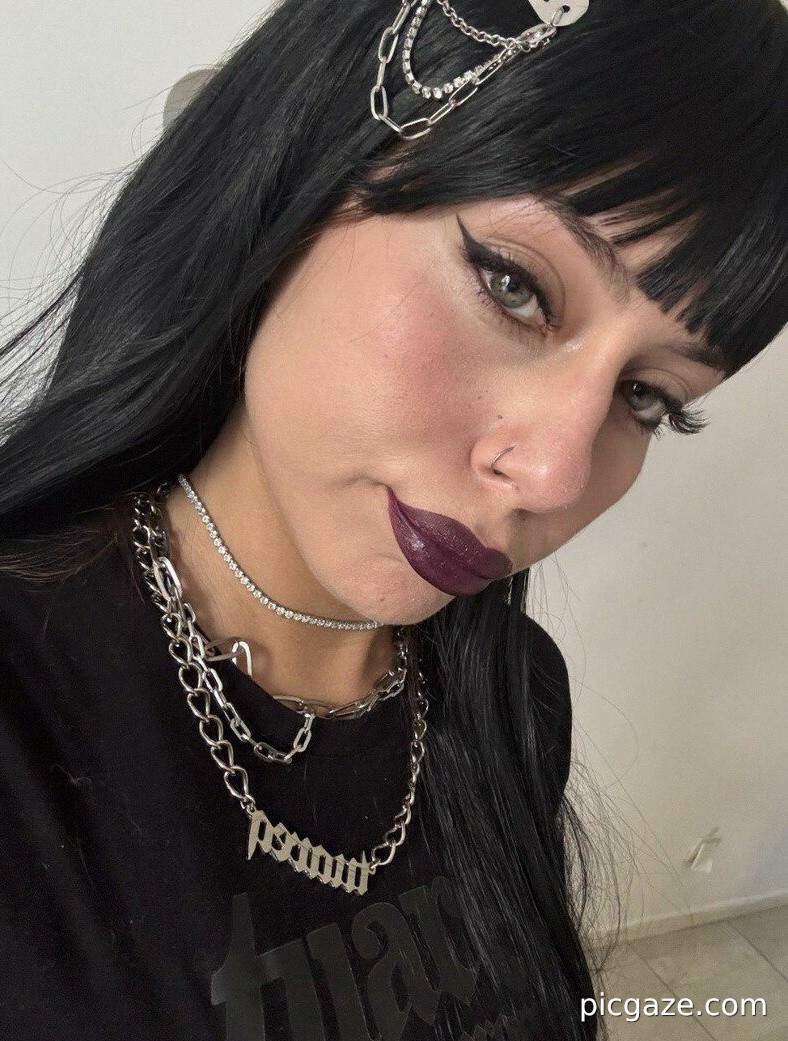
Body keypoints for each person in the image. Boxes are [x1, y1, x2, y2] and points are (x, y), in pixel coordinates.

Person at [0, 1, 786, 1039]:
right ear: (299, 174)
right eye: (513, 286)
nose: (551, 474)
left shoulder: (514, 695)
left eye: (645, 395)